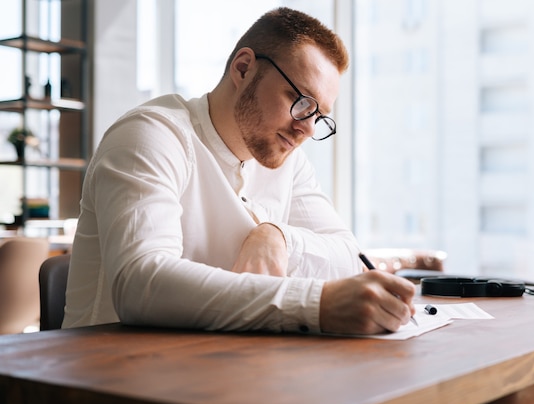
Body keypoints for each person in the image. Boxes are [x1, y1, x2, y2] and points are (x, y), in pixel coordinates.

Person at [62, 7, 416, 335]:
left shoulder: (287, 162)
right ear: (243, 68)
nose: (308, 129)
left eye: (319, 115)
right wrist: (315, 306)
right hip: (106, 385)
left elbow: (349, 258)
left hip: (217, 369)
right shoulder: (150, 135)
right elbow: (141, 284)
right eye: (301, 102)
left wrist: (278, 238)